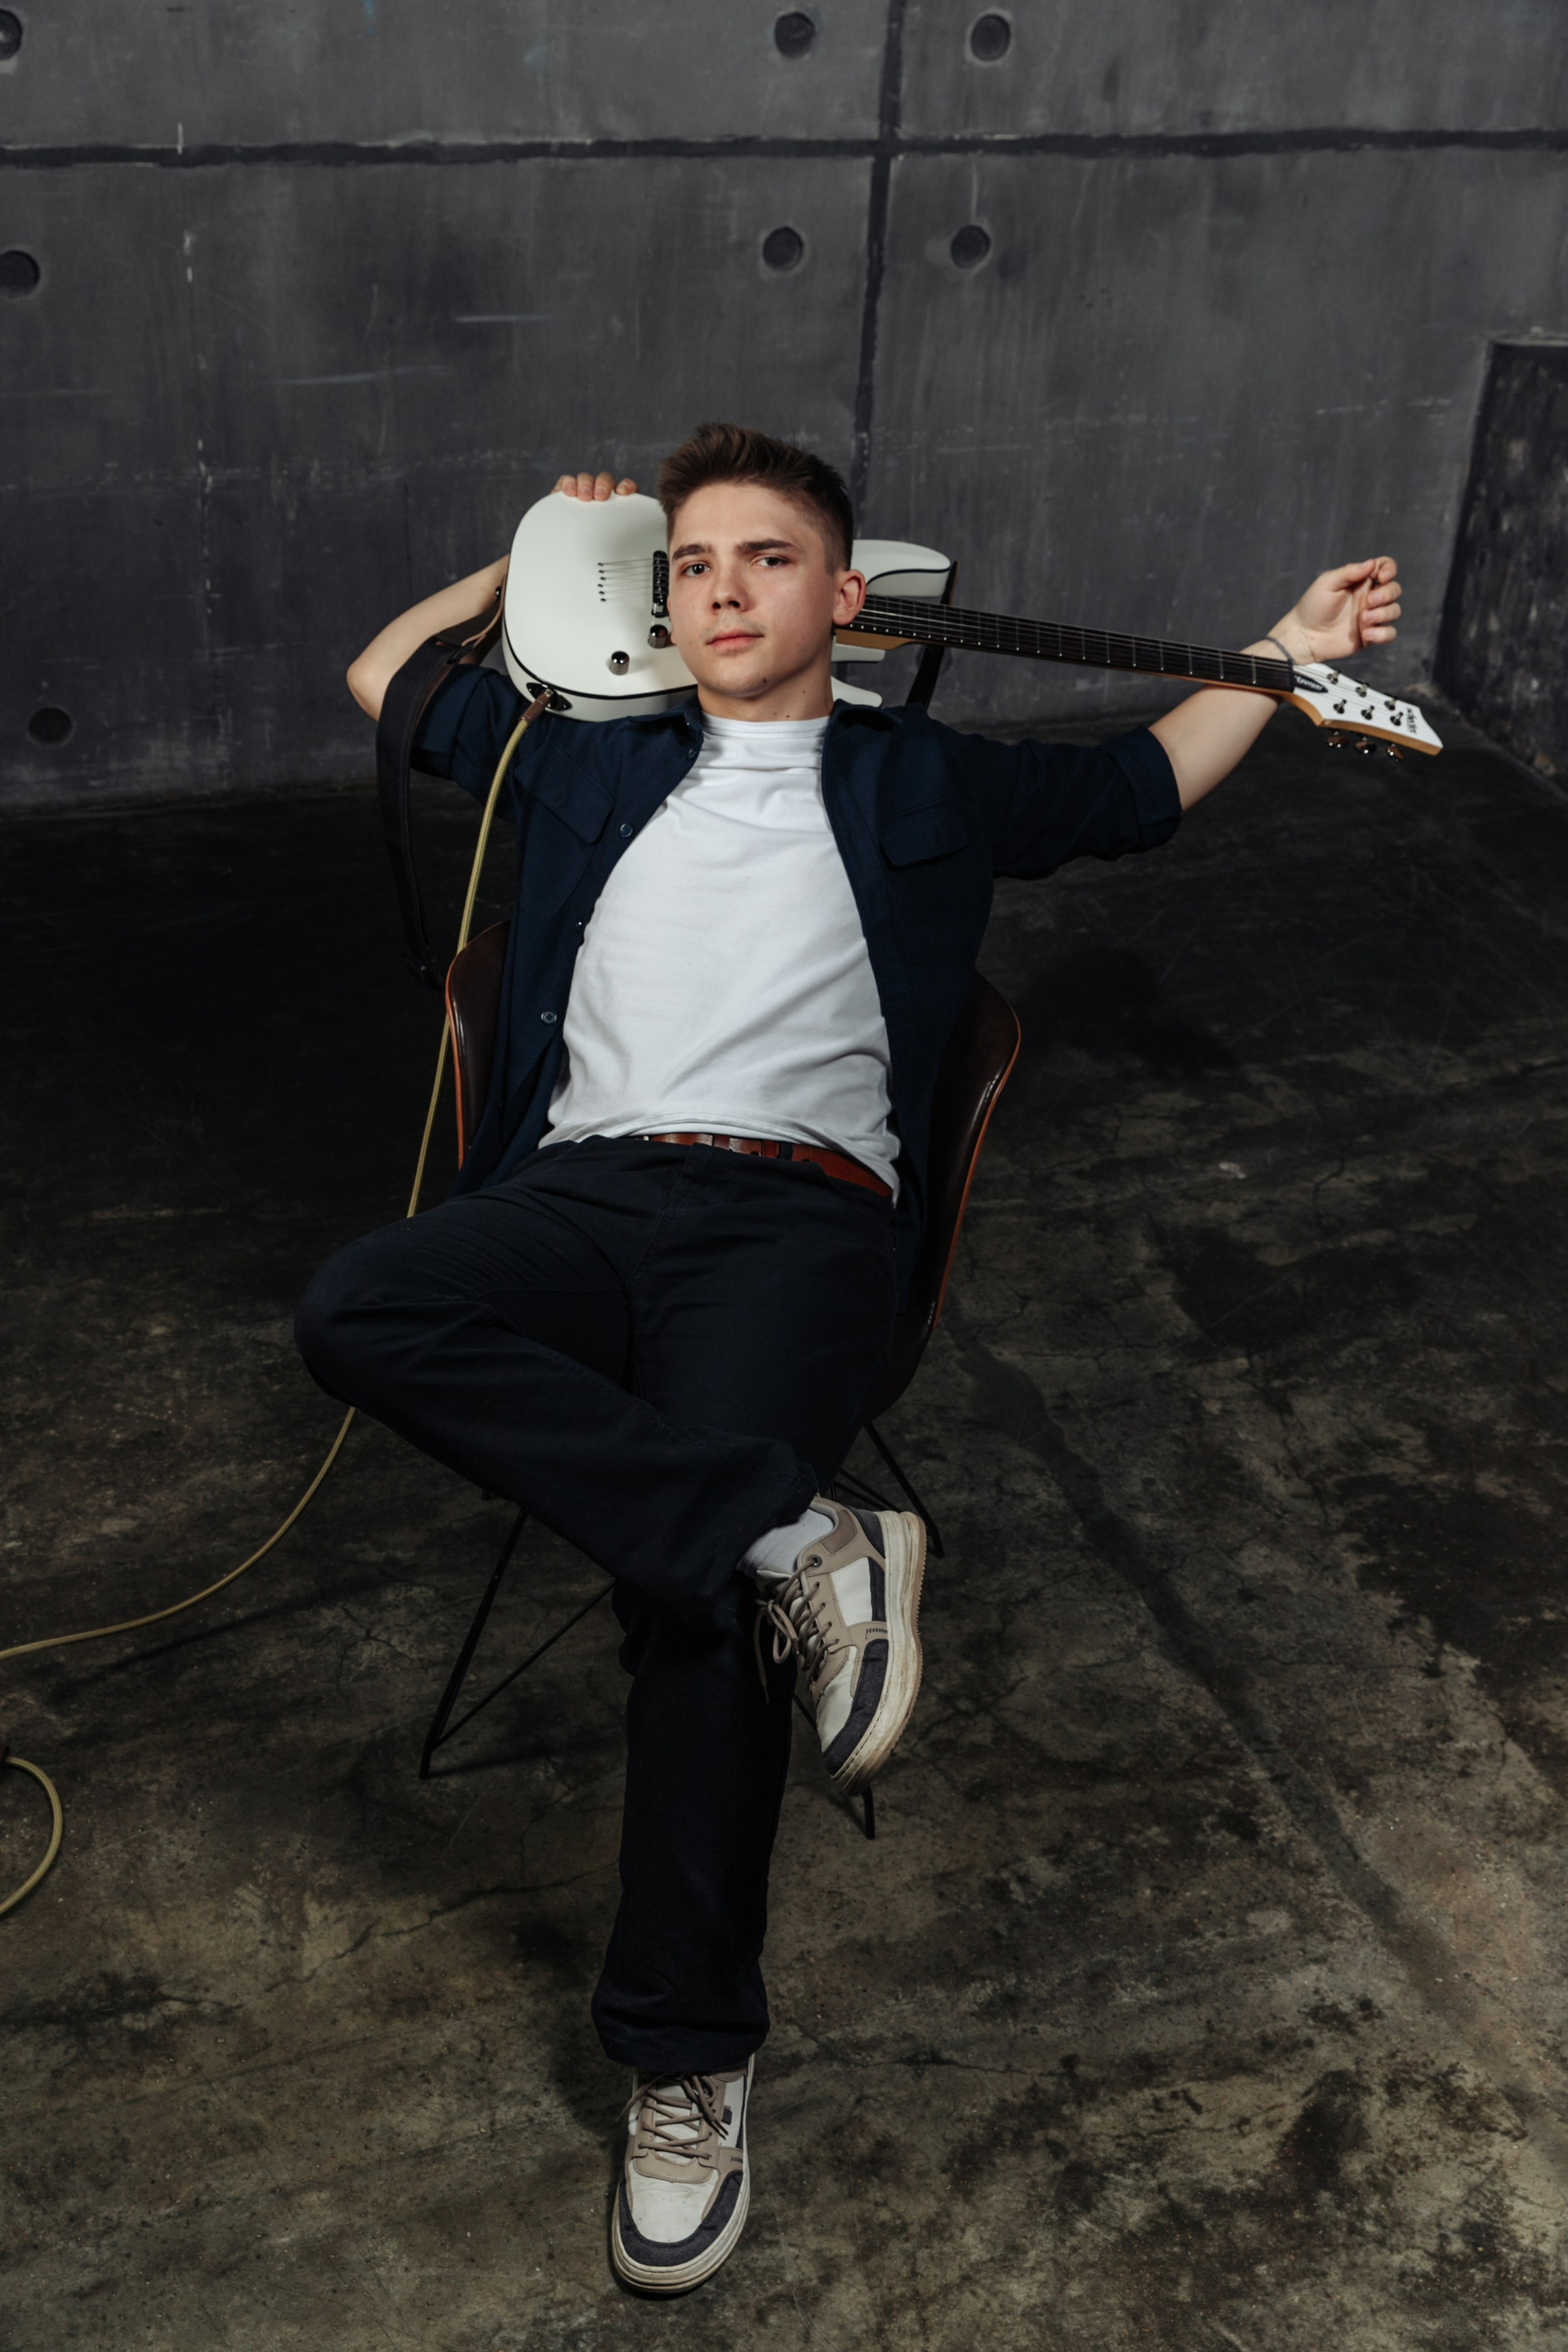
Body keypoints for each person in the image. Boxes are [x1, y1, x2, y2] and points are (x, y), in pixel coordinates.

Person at [296, 422, 1401, 2292]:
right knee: (359, 1307)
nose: (719, 591)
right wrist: (536, 554)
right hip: (581, 1192)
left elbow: (1144, 781)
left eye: (763, 559)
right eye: (691, 566)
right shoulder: (581, 755)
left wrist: (1285, 652)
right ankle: (793, 1534)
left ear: (850, 597)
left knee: (696, 1626)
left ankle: (686, 2058)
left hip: (792, 1222)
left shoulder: (926, 780)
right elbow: (383, 675)